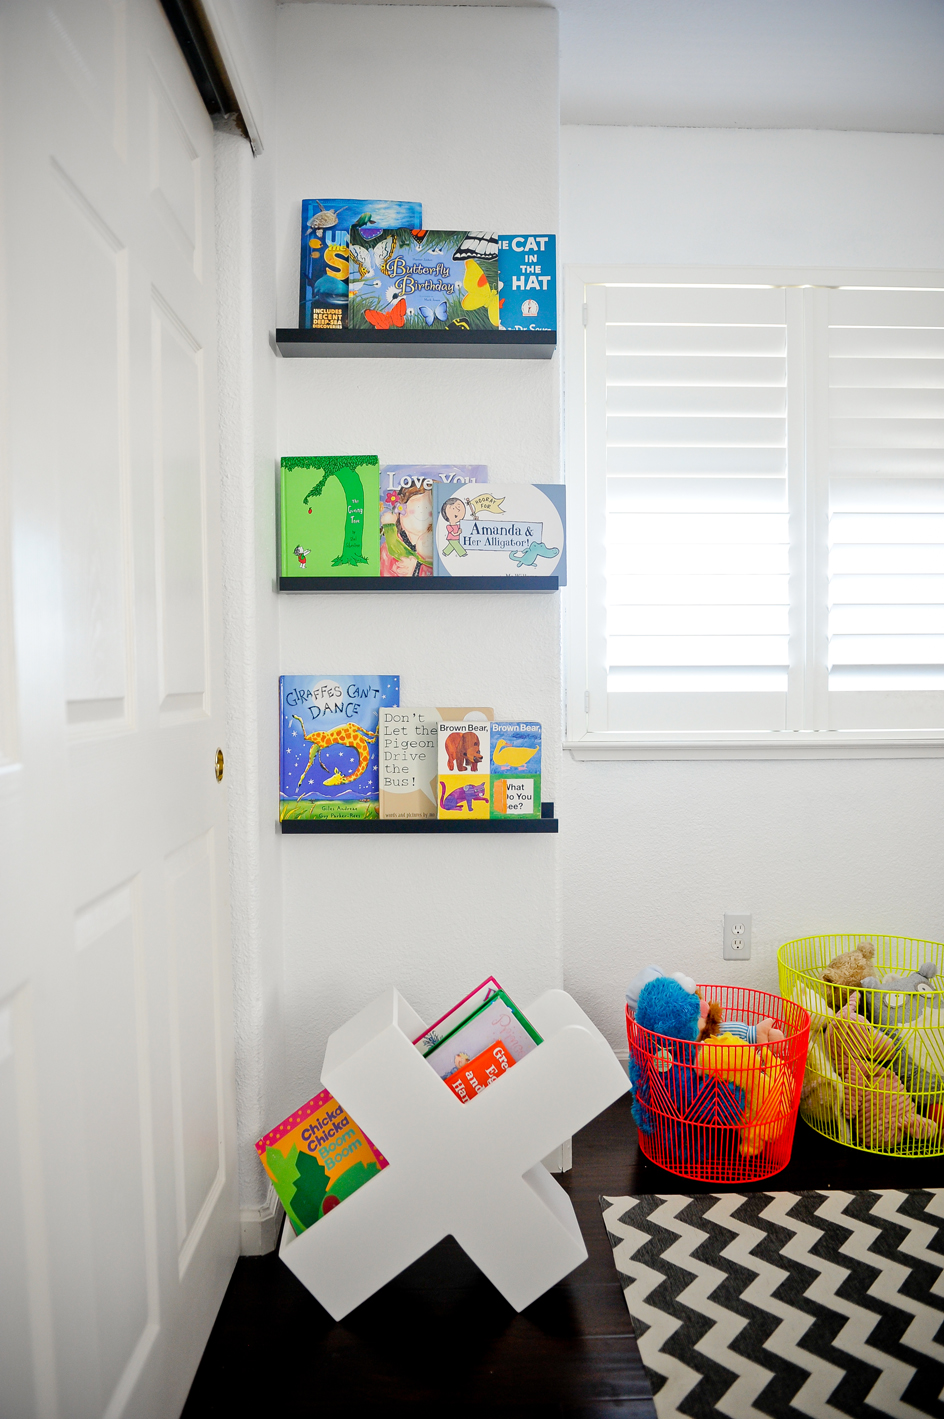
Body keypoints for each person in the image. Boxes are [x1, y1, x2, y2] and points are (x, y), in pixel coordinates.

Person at [380, 481, 435, 576]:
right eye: (413, 511)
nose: (422, 513)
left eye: (430, 511)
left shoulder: (436, 545)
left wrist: (417, 568)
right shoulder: (389, 546)